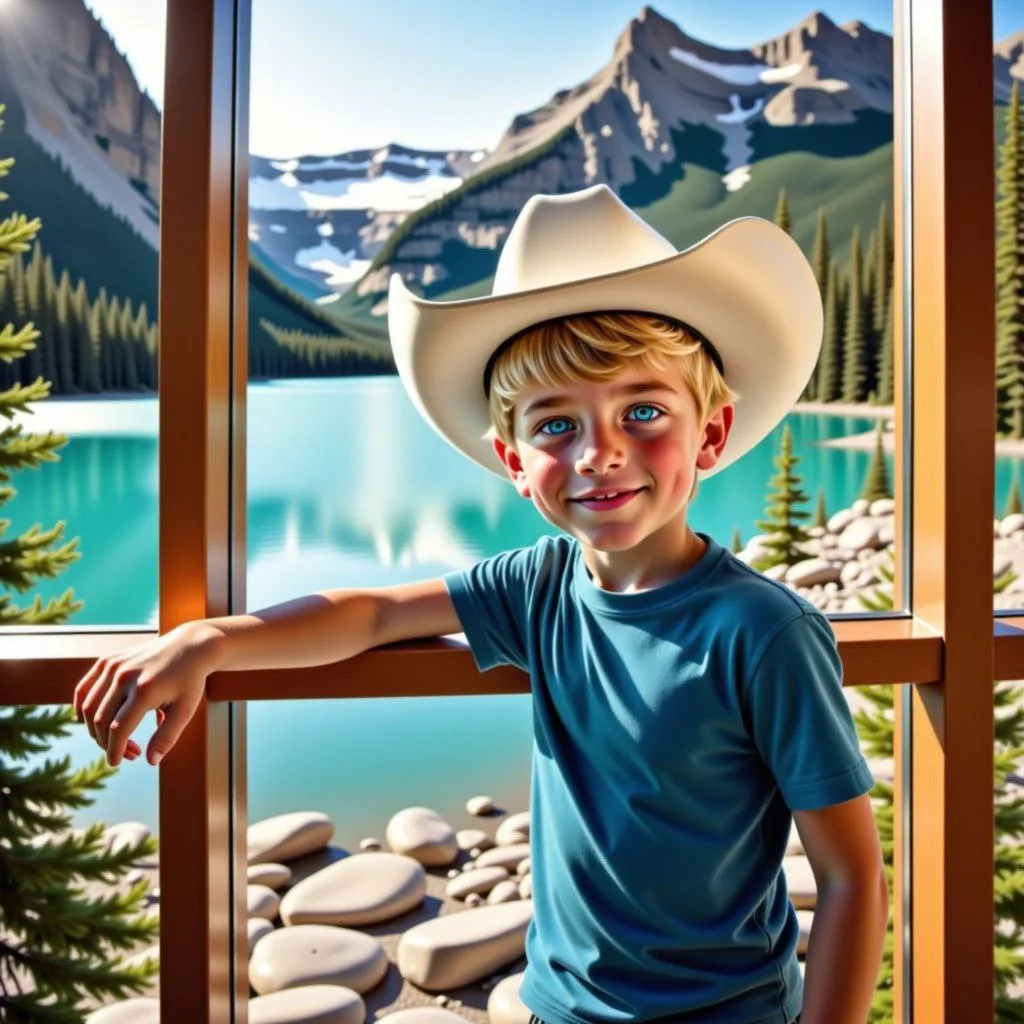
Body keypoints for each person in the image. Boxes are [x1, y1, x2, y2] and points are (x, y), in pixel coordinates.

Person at [76, 185, 888, 1024]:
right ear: (512, 459)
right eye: (555, 426)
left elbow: (852, 875)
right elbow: (374, 612)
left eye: (642, 411)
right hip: (555, 1008)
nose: (600, 453)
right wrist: (210, 639)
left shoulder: (764, 632)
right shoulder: (540, 587)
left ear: (711, 435)